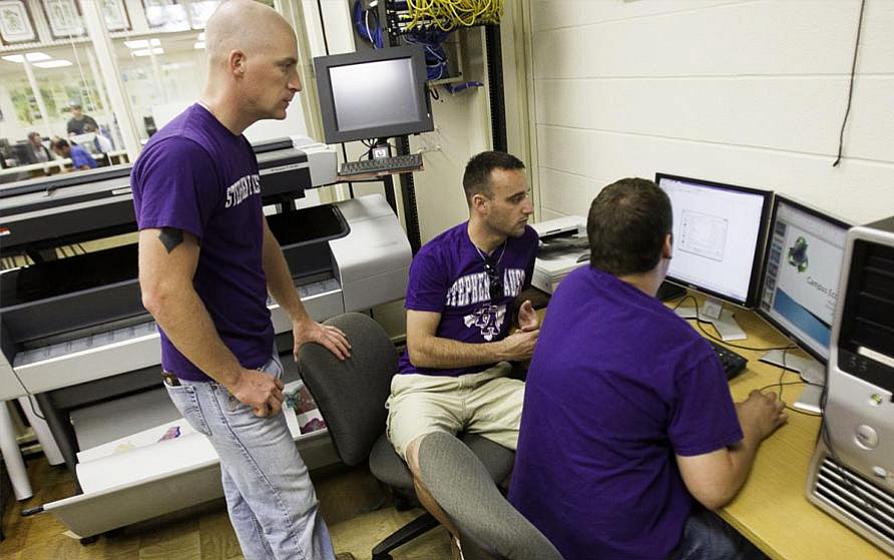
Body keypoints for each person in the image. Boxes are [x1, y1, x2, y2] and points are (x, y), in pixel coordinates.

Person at [132, 2, 354, 559]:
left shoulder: (234, 144)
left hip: (249, 359)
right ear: (237, 62)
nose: (297, 83)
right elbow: (161, 292)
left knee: (252, 496)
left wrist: (299, 319)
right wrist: (236, 379)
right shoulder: (182, 154)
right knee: (292, 510)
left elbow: (258, 239)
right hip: (218, 380)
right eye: (285, 67)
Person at [509, 178, 787, 560]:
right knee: (754, 546)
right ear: (667, 246)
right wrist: (753, 424)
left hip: (539, 524)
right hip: (610, 548)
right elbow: (713, 488)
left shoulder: (571, 289)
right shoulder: (685, 351)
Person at [386, 150, 540, 540]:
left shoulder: (525, 243)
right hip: (427, 386)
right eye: (516, 199)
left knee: (565, 430)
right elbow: (420, 349)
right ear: (480, 204)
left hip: (490, 382)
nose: (529, 207)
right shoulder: (435, 258)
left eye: (527, 195)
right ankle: (474, 547)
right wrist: (503, 351)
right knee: (432, 468)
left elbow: (506, 302)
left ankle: (536, 531)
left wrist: (520, 321)